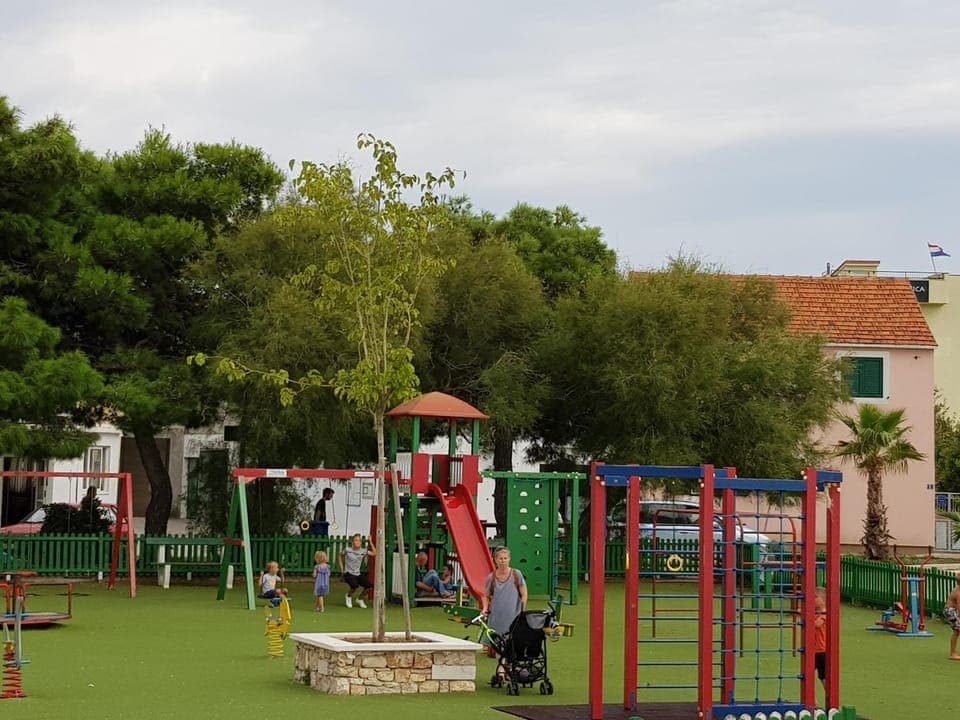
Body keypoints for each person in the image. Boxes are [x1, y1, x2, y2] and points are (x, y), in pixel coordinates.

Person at [481, 546, 528, 659]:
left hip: (513, 615)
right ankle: (500, 665)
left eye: (505, 558)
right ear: (495, 560)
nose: (503, 561)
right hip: (496, 617)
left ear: (509, 559)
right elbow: (486, 595)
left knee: (512, 642)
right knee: (497, 645)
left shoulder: (516, 574)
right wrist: (485, 608)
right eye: (500, 558)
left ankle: (508, 662)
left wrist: (522, 611)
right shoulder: (491, 577)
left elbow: (524, 594)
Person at [340, 533, 375, 608]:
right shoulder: (347, 550)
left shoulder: (363, 551)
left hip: (357, 574)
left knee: (369, 586)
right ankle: (348, 596)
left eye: (359, 540)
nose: (358, 542)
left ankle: (359, 599)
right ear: (352, 542)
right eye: (356, 540)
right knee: (354, 586)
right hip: (348, 573)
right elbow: (340, 555)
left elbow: (374, 553)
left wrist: (371, 542)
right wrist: (342, 568)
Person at [813, 586, 828, 697]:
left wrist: (805, 615)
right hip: (812, 649)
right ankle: (813, 700)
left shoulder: (824, 613)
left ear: (822, 600)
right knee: (809, 675)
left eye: (815, 597)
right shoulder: (815, 613)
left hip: (821, 650)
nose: (812, 599)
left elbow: (817, 624)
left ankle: (830, 696)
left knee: (823, 676)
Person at [944, 572, 960, 660]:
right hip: (950, 611)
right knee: (957, 630)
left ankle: (953, 652)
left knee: (957, 631)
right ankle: (952, 654)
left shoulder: (958, 588)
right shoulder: (958, 592)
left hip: (952, 611)